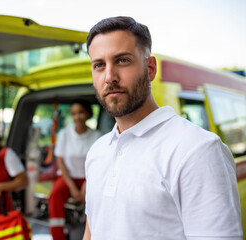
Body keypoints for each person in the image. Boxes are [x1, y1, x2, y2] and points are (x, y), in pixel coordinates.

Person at [83, 16, 243, 240]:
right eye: (99, 65)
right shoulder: (97, 152)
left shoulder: (198, 150)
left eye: (122, 61)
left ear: (150, 68)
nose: (109, 77)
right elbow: (92, 232)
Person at [48, 99, 101, 240]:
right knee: (54, 195)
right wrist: (72, 187)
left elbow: (98, 164)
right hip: (67, 177)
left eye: (81, 113)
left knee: (97, 197)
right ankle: (58, 236)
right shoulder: (64, 134)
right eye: (74, 114)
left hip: (88, 178)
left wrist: (87, 183)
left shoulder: (97, 136)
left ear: (88, 114)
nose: (77, 117)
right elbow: (60, 161)